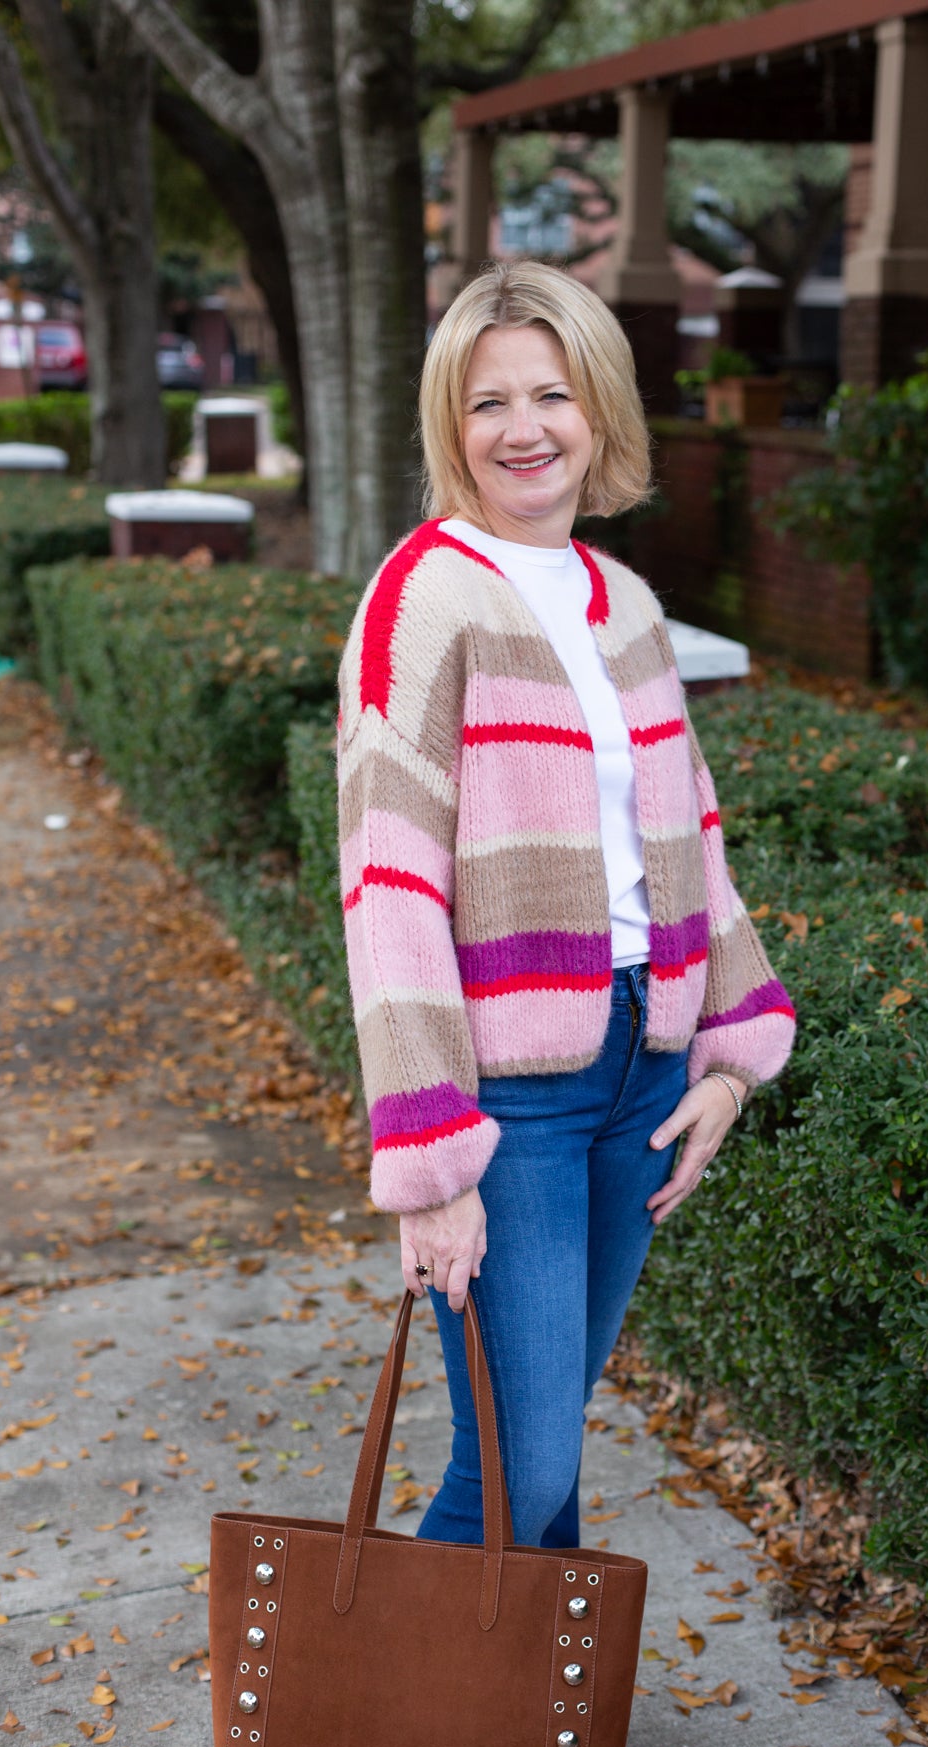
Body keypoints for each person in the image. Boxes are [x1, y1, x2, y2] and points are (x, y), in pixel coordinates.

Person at [336, 259, 795, 1551]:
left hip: (641, 1077)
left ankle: (529, 1736)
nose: (523, 428)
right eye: (488, 403)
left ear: (599, 413)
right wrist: (430, 1161)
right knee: (518, 1466)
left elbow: (692, 839)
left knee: (542, 1439)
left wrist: (730, 1057)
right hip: (508, 1102)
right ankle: (407, 1741)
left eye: (552, 394)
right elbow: (388, 885)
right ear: (451, 424)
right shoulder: (421, 603)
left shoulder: (626, 604)